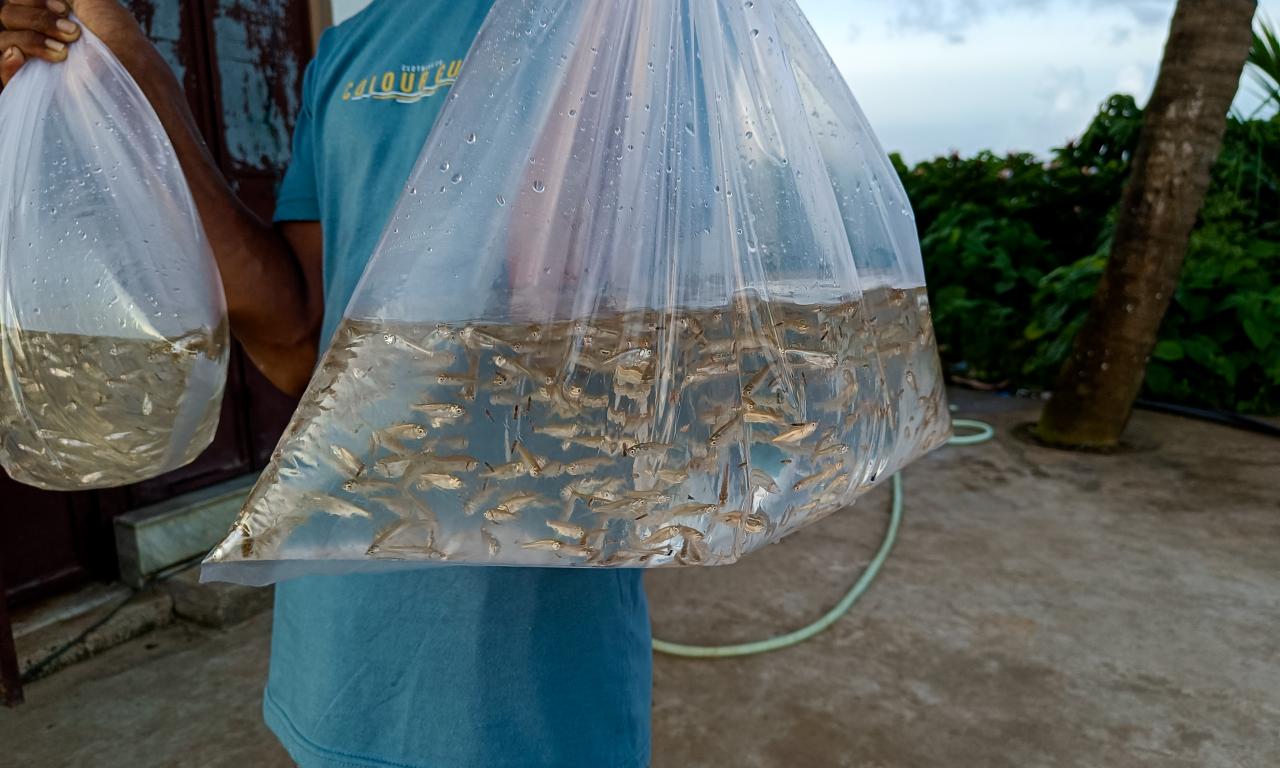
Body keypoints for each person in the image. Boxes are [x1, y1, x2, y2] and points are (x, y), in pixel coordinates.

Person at [0, 1, 653, 766]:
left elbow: (581, 313)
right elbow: (299, 344)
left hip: (530, 667)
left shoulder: (628, 23)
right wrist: (126, 69)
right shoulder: (349, 48)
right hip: (340, 640)